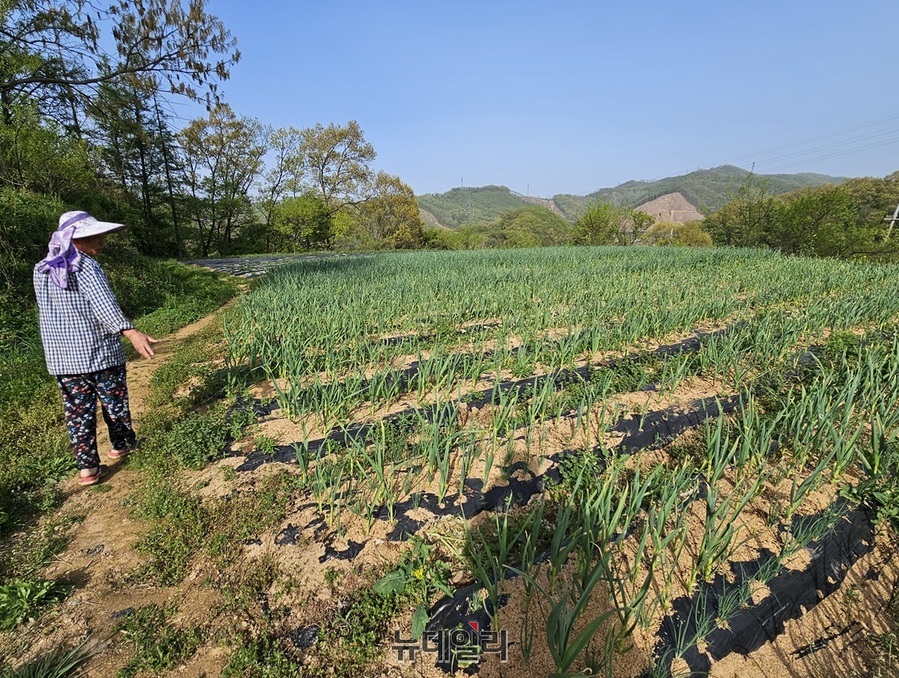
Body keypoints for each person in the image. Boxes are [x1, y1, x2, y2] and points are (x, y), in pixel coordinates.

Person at [33, 211, 159, 486]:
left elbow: (49, 313)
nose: (102, 242)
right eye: (96, 237)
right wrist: (131, 332)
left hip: (64, 359)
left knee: (77, 413)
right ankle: (122, 445)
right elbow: (104, 306)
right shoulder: (86, 266)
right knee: (114, 403)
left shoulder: (41, 269)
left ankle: (87, 469)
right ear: (75, 239)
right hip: (99, 352)